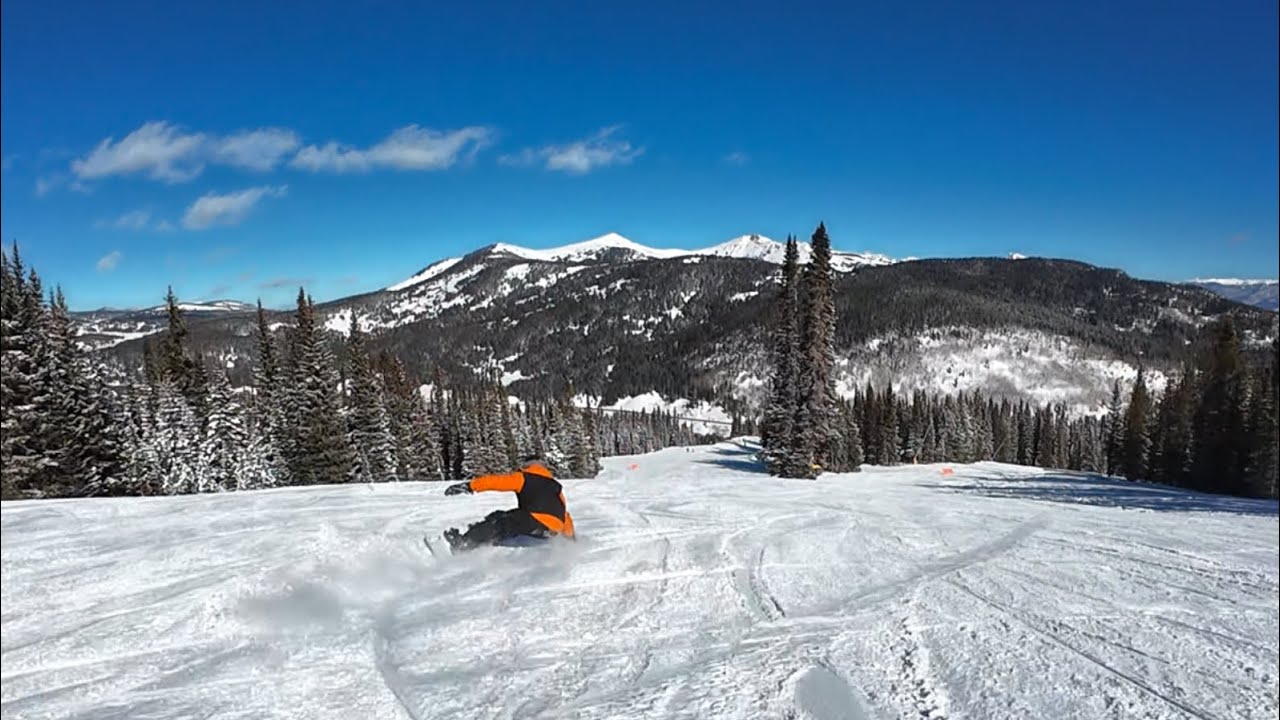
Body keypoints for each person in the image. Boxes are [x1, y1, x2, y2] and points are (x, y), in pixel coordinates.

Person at [441, 454, 576, 552]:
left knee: (498, 521)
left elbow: (497, 482)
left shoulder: (524, 477)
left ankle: (465, 543)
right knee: (504, 517)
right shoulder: (555, 486)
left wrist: (469, 486)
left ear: (526, 466)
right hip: (553, 529)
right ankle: (480, 534)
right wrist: (571, 540)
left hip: (534, 520)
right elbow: (565, 514)